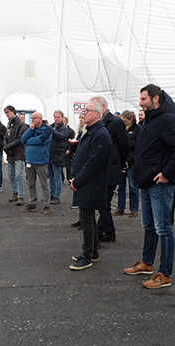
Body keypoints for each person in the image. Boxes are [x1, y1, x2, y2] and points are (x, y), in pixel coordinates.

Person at [123, 84, 175, 289]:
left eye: (143, 99)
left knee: (163, 229)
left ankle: (165, 274)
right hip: (146, 181)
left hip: (159, 183)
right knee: (149, 226)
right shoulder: (151, 121)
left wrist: (167, 173)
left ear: (156, 99)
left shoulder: (167, 120)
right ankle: (146, 263)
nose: (140, 103)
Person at [68, 101, 112, 271]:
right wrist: (74, 177)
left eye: (87, 111)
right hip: (85, 182)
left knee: (87, 217)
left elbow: (93, 163)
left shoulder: (100, 135)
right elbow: (81, 156)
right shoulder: (91, 132)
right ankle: (92, 251)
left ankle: (87, 255)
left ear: (97, 114)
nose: (83, 113)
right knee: (88, 216)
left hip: (92, 183)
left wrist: (77, 181)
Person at [92, 96, 129, 243]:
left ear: (102, 107)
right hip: (102, 168)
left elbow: (124, 145)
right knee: (103, 202)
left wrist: (120, 164)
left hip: (111, 167)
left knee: (104, 202)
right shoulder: (99, 123)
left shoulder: (115, 122)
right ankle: (110, 231)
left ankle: (99, 231)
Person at [21, 112, 53, 215]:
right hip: (30, 160)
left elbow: (41, 140)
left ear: (40, 119)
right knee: (31, 183)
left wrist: (29, 141)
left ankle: (47, 204)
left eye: (34, 118)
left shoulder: (47, 130)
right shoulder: (31, 129)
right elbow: (22, 139)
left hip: (41, 160)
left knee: (44, 184)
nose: (32, 120)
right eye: (32, 118)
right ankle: (32, 203)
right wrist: (30, 130)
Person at [115, 110, 141, 217]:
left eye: (125, 121)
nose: (123, 123)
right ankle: (120, 208)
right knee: (120, 186)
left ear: (130, 120)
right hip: (121, 161)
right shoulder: (120, 128)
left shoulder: (138, 129)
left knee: (133, 186)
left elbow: (138, 143)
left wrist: (126, 143)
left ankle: (134, 209)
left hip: (131, 161)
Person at [3, 105, 29, 206]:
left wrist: (8, 146)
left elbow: (20, 139)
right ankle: (15, 192)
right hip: (10, 153)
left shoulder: (21, 125)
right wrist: (6, 147)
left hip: (18, 153)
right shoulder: (9, 124)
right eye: (5, 112)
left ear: (13, 112)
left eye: (8, 112)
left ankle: (20, 196)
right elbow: (6, 136)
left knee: (18, 175)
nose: (7, 114)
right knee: (11, 175)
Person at [48, 110, 72, 204]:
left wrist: (51, 131)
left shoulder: (64, 129)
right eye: (55, 117)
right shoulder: (51, 127)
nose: (57, 119)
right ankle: (52, 194)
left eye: (58, 117)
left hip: (58, 154)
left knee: (57, 176)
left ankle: (57, 196)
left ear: (62, 118)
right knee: (51, 176)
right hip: (50, 154)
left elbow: (61, 136)